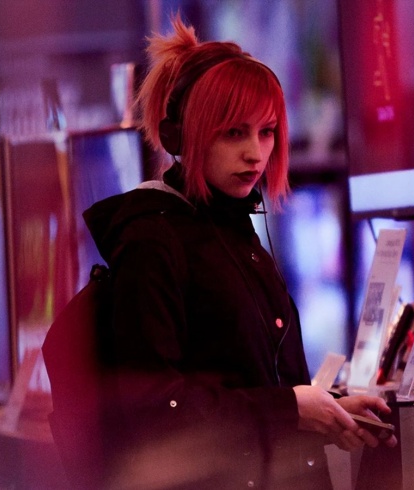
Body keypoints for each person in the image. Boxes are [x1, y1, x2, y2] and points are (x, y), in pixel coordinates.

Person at [80, 15, 397, 489]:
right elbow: (155, 410)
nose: (256, 153)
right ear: (181, 136)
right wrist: (291, 409)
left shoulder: (232, 228)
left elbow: (247, 381)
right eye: (234, 133)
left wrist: (326, 409)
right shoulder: (152, 241)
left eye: (267, 131)